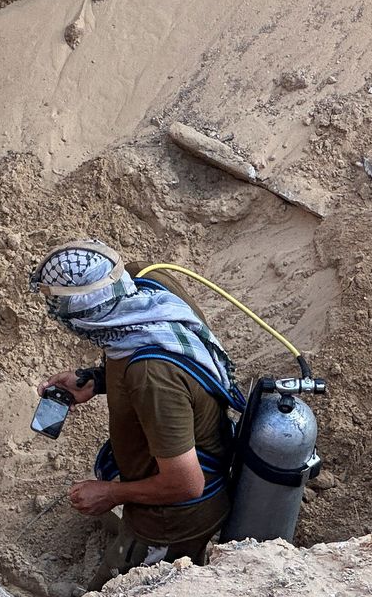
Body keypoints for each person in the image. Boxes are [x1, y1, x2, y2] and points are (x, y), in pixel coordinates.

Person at [29, 240, 241, 577]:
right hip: (179, 469)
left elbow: (186, 483)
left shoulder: (151, 378)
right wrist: (95, 380)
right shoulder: (141, 284)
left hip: (171, 519)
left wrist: (110, 493)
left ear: (86, 318)